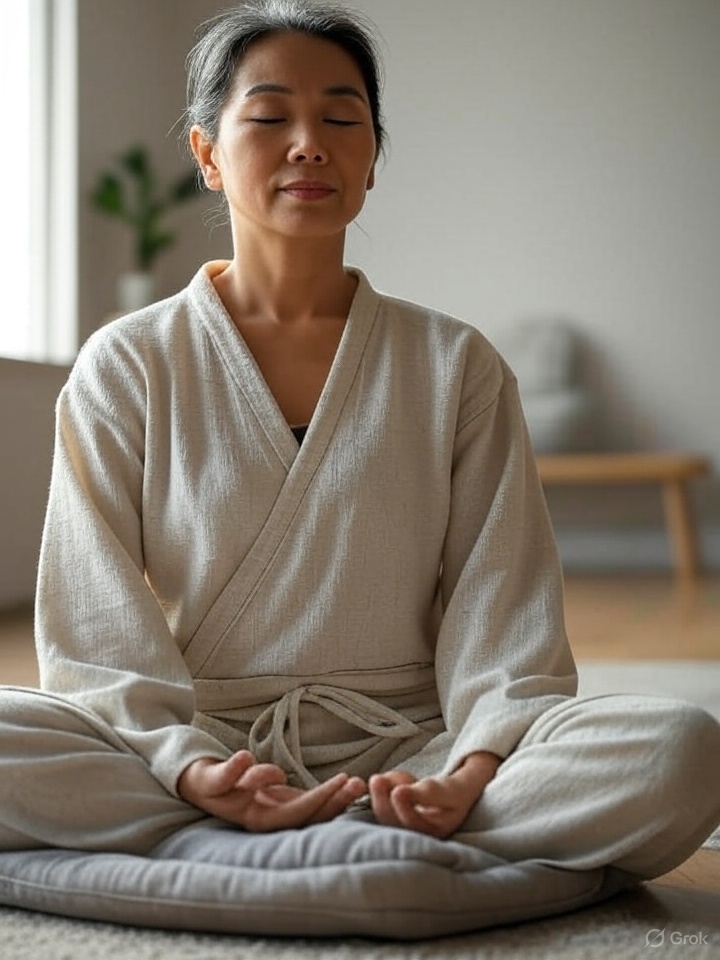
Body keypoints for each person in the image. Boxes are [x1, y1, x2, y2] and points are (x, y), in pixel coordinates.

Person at [0, 0, 719, 886]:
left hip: (414, 752)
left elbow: (505, 617)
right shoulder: (128, 364)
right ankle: (366, 857)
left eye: (343, 119)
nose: (309, 143)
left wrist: (473, 768)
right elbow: (94, 622)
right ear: (207, 154)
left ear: (372, 157)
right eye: (269, 118)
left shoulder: (456, 364)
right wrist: (186, 765)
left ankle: (257, 856)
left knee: (678, 748)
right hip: (202, 750)